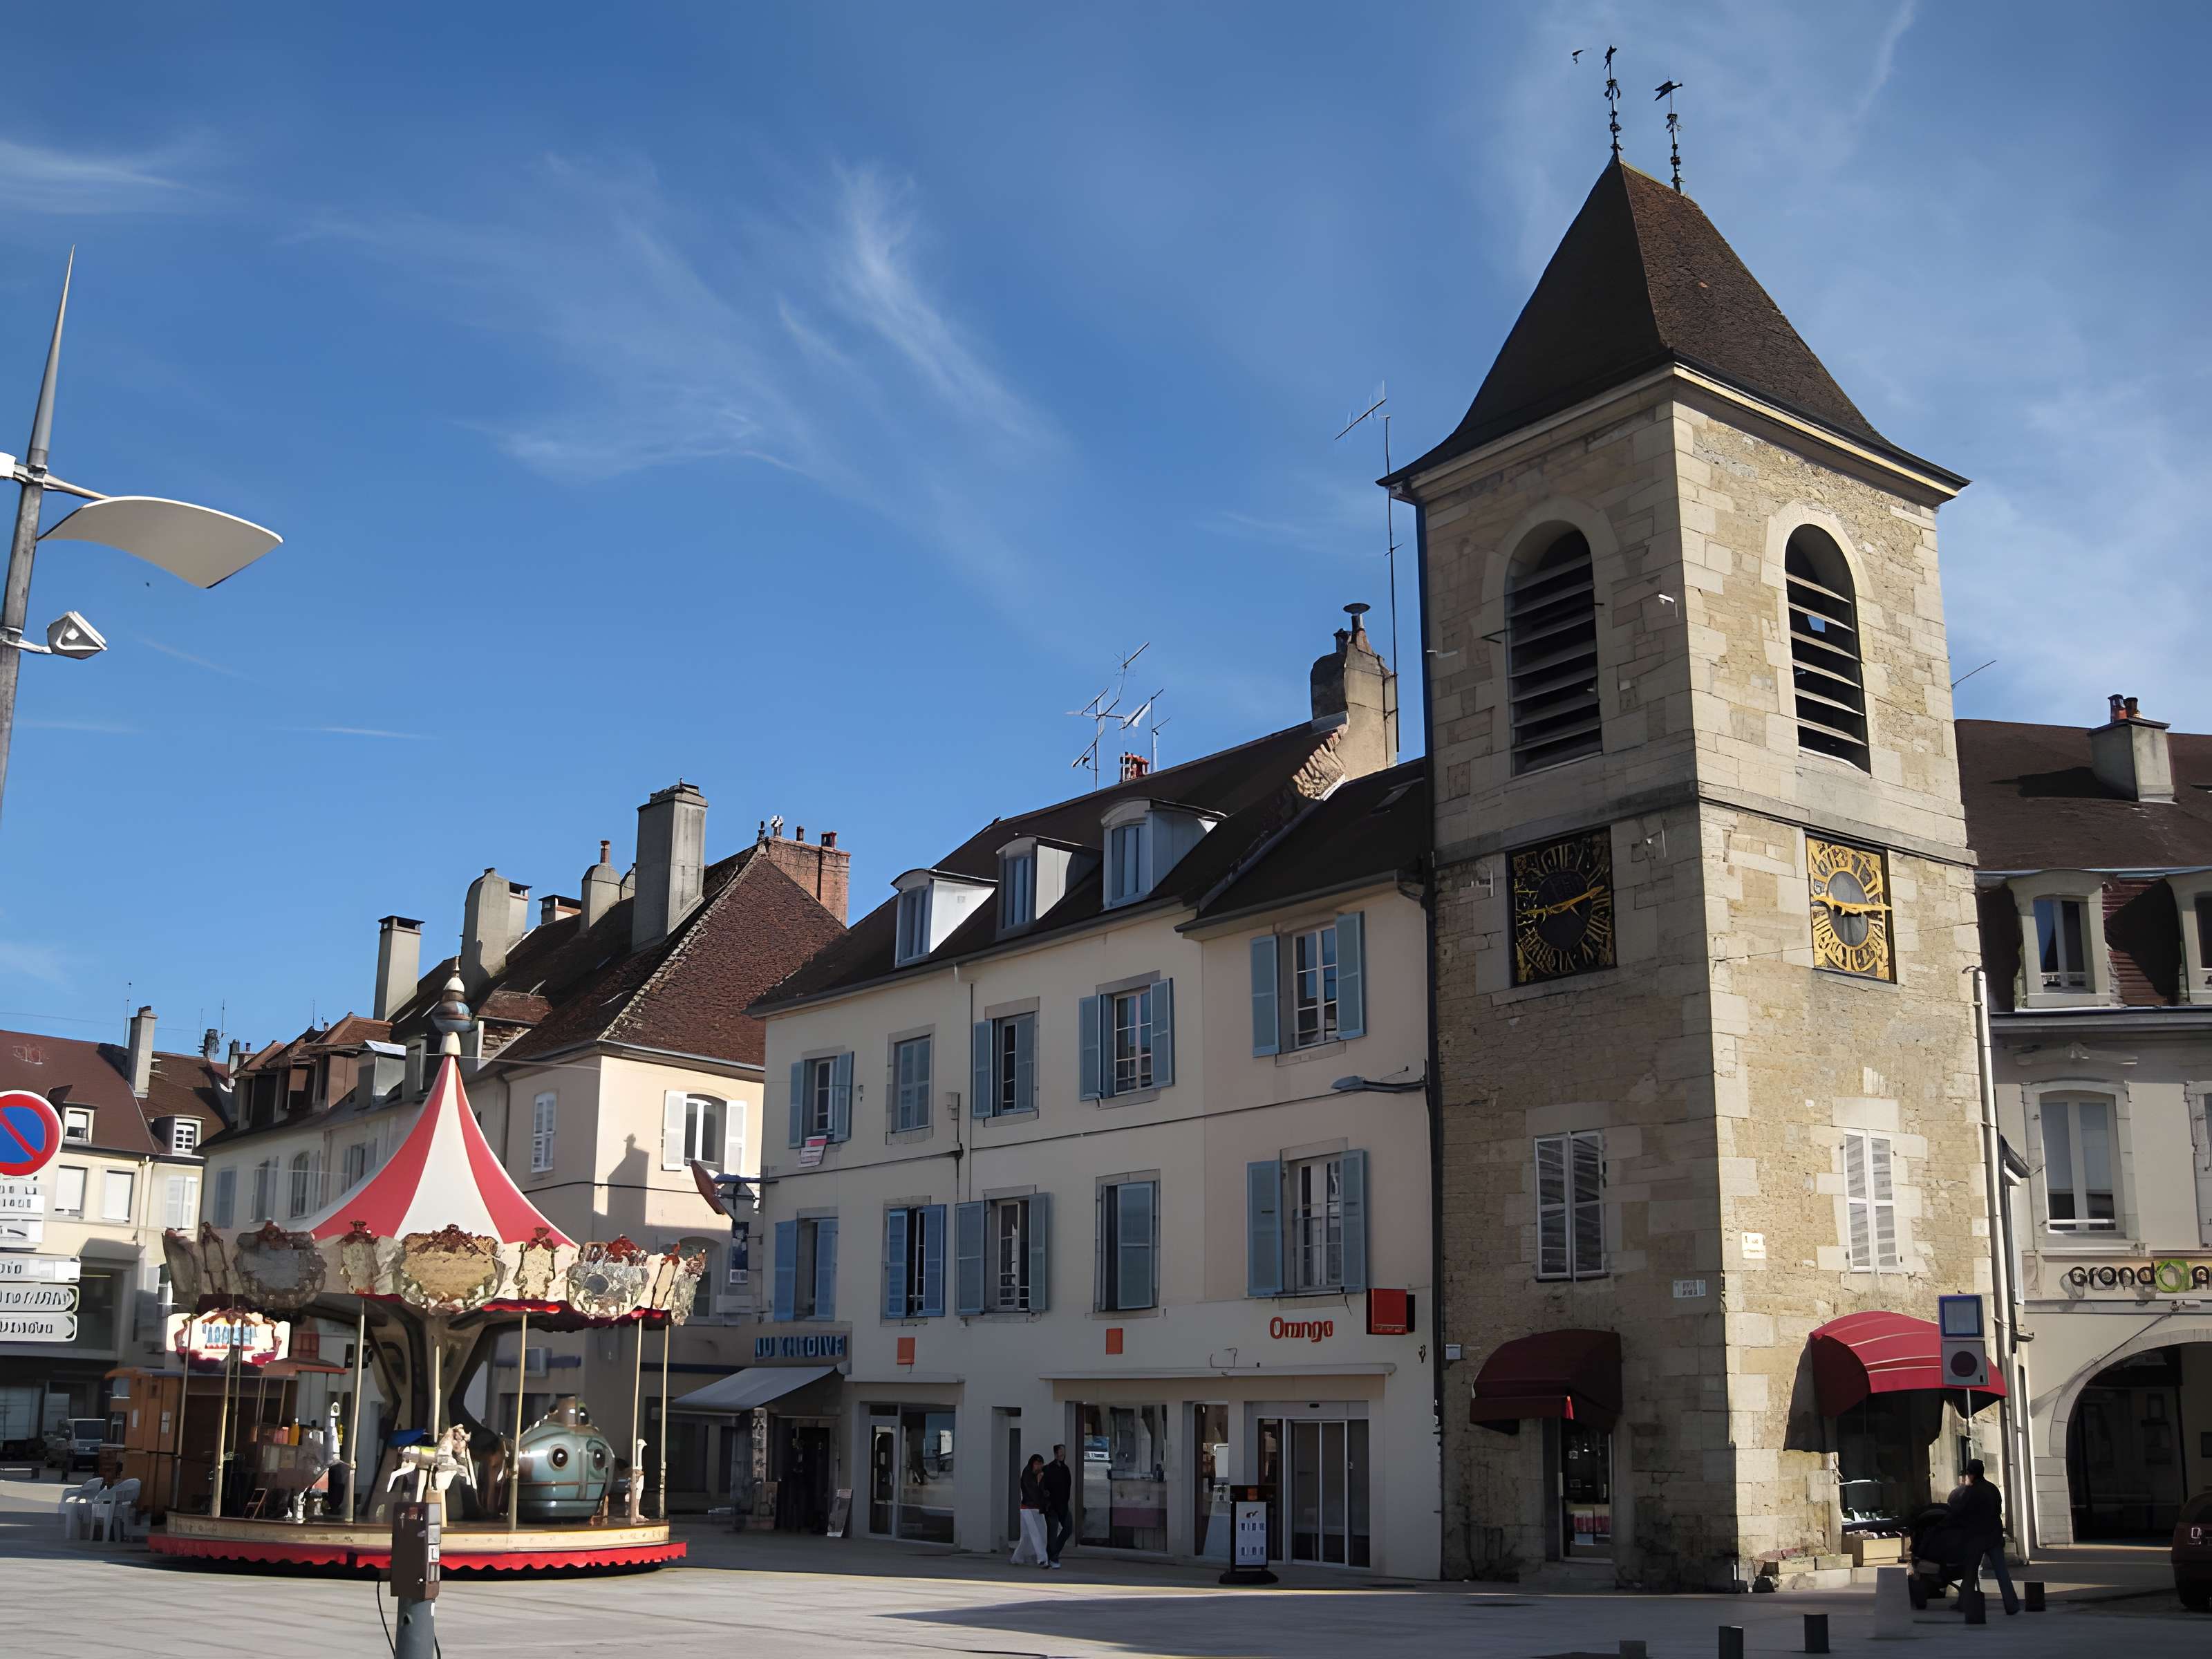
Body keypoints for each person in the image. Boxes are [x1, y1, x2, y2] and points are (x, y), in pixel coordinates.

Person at [1945, 1459, 2018, 1615]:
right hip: (1994, 1536)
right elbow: (1997, 1510)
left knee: (1970, 1572)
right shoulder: (1992, 1489)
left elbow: (1958, 1510)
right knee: (2002, 1573)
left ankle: (1964, 1603)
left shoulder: (1969, 1491)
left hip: (1976, 1538)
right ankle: (2012, 1605)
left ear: (1971, 1473)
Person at [1010, 1454, 1049, 1567]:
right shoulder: (1027, 1474)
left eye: (1040, 1464)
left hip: (1036, 1508)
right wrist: (1039, 1482)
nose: (1039, 1467)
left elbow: (1044, 1491)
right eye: (1037, 1464)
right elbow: (1033, 1493)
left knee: (1030, 1536)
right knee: (1035, 1533)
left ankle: (1017, 1558)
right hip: (1027, 1509)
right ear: (1032, 1464)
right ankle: (1042, 1559)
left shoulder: (1040, 1475)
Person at [1041, 1443, 1074, 1568]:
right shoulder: (1048, 1469)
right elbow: (1043, 1487)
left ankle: (1053, 1554)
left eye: (1064, 1453)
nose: (1063, 1455)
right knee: (1052, 1533)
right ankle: (1053, 1558)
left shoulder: (1065, 1469)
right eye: (1061, 1453)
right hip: (1052, 1506)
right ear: (1056, 1454)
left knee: (1068, 1528)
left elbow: (1068, 1487)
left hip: (1063, 1505)